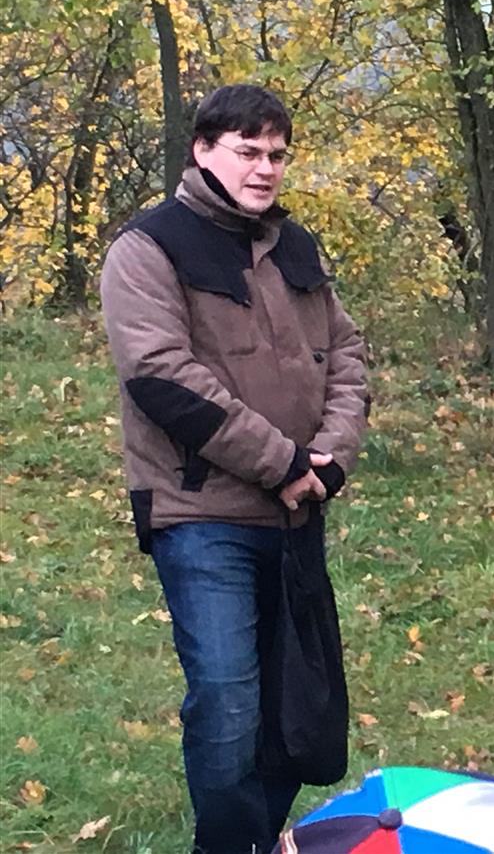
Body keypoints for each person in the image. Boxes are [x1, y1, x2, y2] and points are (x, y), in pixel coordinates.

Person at [101, 84, 368, 854]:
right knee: (226, 703)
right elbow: (160, 376)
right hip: (201, 515)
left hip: (297, 510)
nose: (265, 168)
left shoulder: (296, 247)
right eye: (247, 151)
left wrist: (330, 457)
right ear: (202, 150)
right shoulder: (148, 248)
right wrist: (282, 460)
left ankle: (257, 837)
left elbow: (347, 356)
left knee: (294, 711)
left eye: (277, 154)